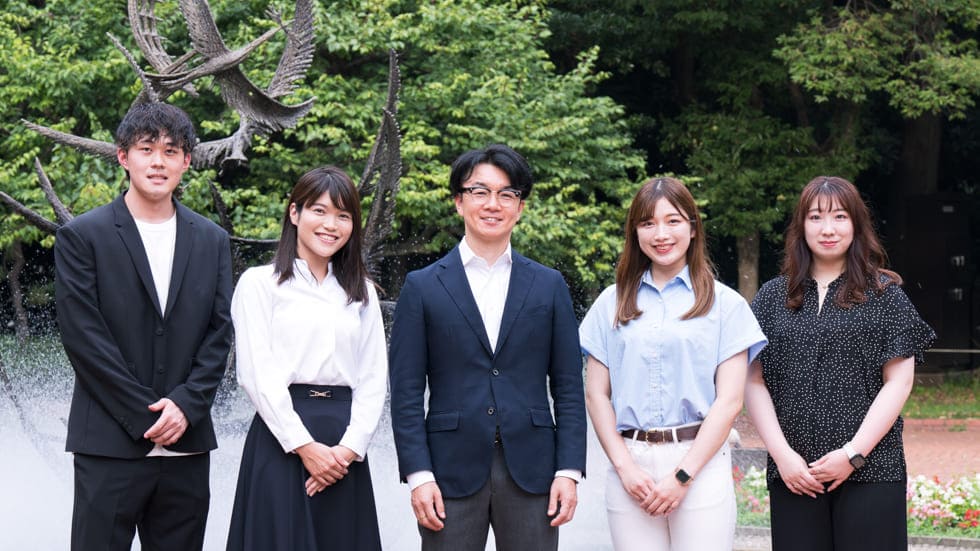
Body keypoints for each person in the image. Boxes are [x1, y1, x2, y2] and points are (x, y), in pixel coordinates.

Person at [388, 144, 587, 551]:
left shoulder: (548, 285)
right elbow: (405, 393)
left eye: (506, 194)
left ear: (520, 207)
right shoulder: (422, 287)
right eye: (480, 192)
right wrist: (418, 474)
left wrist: (568, 470)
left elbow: (568, 386)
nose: (493, 204)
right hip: (447, 472)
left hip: (533, 470)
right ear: (459, 201)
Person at [54, 102, 233, 550]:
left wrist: (185, 406)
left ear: (186, 161)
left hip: (186, 446)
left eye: (171, 151)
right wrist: (146, 416)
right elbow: (84, 338)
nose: (158, 161)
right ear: (123, 156)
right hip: (108, 444)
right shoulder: (83, 236)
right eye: (146, 148)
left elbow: (219, 335)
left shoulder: (212, 240)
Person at [745, 176, 935, 550]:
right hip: (795, 474)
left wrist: (853, 454)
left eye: (839, 217)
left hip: (872, 470)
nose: (828, 229)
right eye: (816, 217)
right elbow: (752, 381)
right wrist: (782, 457)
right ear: (801, 226)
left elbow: (899, 382)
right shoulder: (772, 297)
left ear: (856, 224)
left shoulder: (884, 294)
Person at [579, 177, 767, 551]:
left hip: (700, 461)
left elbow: (730, 401)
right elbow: (596, 394)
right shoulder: (610, 303)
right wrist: (625, 468)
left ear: (693, 228)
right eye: (648, 223)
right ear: (635, 232)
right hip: (630, 465)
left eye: (673, 221)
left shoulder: (725, 305)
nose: (661, 234)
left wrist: (682, 475)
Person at [226, 166, 387, 550]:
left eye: (343, 215)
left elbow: (374, 376)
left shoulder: (361, 292)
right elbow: (256, 374)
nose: (331, 225)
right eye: (319, 210)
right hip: (281, 439)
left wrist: (349, 449)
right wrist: (303, 446)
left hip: (343, 445)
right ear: (294, 213)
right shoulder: (259, 284)